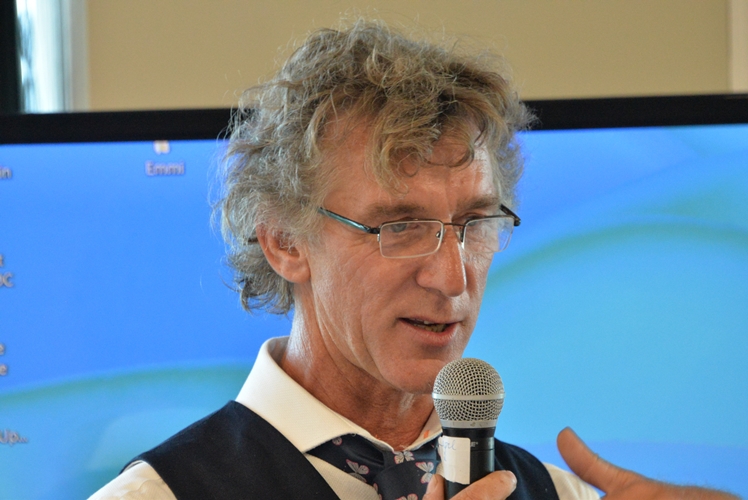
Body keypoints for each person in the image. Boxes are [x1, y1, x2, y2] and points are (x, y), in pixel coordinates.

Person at [89, 19, 738, 500]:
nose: (453, 279)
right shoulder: (156, 495)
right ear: (284, 241)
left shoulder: (556, 494)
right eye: (400, 227)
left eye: (475, 224)